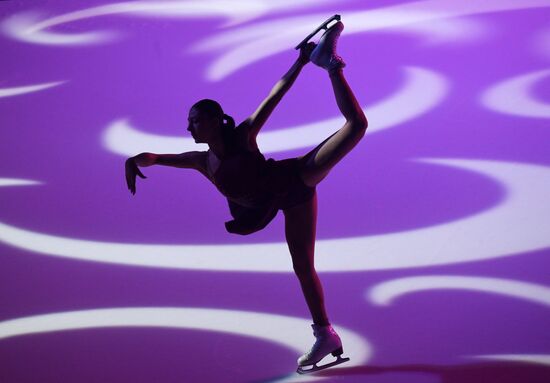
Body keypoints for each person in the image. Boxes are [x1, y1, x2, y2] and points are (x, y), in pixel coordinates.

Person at [125, 20, 367, 373]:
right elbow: (158, 158)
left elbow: (275, 95)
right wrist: (135, 160)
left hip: (294, 180)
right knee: (302, 267)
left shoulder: (243, 136)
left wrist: (301, 63)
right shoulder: (200, 162)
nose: (188, 127)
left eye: (193, 120)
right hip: (280, 202)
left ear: (211, 120)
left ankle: (330, 64)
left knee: (356, 126)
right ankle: (325, 335)